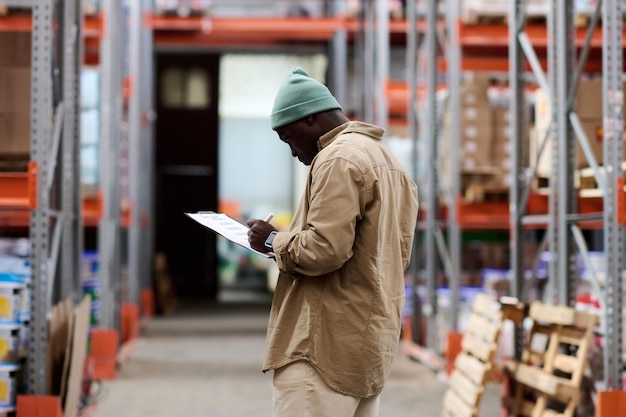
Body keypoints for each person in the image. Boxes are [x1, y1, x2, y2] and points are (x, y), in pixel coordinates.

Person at [246, 67, 419, 417]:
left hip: (322, 350)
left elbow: (326, 250)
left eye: (288, 137)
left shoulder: (338, 159)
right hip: (364, 348)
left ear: (310, 120)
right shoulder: (388, 162)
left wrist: (273, 242)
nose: (293, 152)